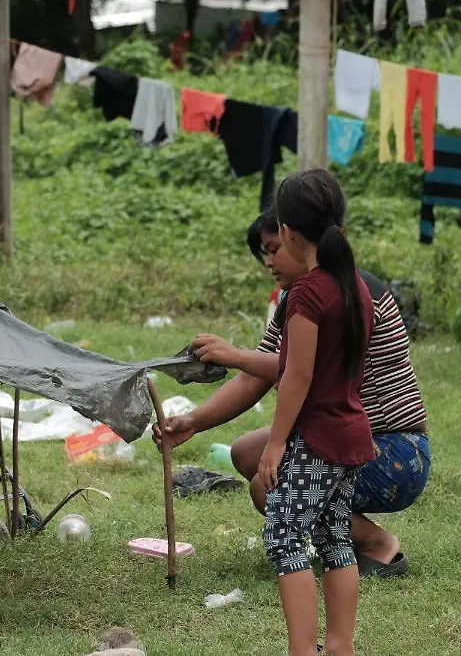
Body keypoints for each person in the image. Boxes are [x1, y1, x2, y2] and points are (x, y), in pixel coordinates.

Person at [158, 170, 375, 656]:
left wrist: (276, 443)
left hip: (317, 440)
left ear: (292, 233)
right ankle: (339, 647)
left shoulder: (307, 293)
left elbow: (294, 375)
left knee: (284, 536)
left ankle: (303, 650)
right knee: (336, 536)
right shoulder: (354, 286)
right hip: (349, 435)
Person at [159, 208, 429, 579]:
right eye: (264, 254)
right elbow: (257, 375)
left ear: (296, 239)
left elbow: (309, 370)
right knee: (246, 453)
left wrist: (234, 355)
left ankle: (377, 543)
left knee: (268, 490)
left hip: (392, 450)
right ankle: (340, 542)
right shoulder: (298, 298)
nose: (269, 263)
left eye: (274, 249)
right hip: (343, 438)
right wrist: (193, 422)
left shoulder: (352, 293)